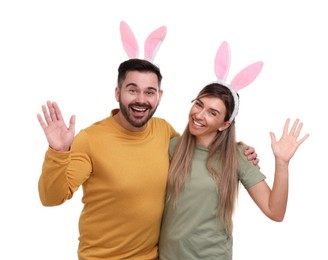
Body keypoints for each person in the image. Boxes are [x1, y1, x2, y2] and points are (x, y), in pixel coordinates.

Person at [37, 58, 259, 259]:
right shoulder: (90, 139)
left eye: (150, 92)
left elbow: (200, 147)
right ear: (117, 93)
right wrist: (58, 152)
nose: (141, 100)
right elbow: (51, 198)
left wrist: (237, 151)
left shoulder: (163, 131)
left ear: (159, 96)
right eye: (132, 90)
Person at [158, 83, 309, 259]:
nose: (199, 115)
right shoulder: (173, 146)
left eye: (212, 113)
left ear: (224, 124)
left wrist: (282, 163)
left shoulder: (238, 156)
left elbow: (275, 212)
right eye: (199, 104)